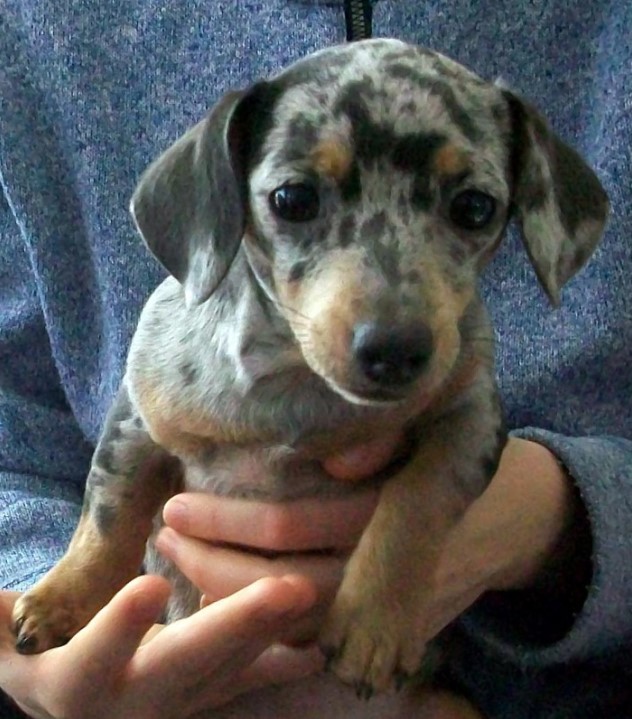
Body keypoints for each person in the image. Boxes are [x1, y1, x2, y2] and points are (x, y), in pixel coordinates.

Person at [0, 1, 630, 717]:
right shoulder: (37, 26)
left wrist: (558, 524)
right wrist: (55, 602)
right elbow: (30, 436)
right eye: (297, 200)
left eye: (469, 210)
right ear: (224, 201)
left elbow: (467, 427)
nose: (389, 314)